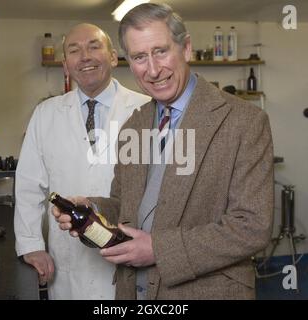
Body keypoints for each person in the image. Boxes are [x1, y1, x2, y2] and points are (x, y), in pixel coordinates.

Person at [53, 3, 274, 300]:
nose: (153, 70)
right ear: (129, 62)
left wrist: (158, 249)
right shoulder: (136, 123)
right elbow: (126, 206)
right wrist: (94, 209)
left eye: (161, 51)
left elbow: (252, 227)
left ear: (186, 49)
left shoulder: (243, 121)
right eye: (140, 57)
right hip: (135, 291)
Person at [14, 23, 150, 300]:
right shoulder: (46, 114)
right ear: (66, 65)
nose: (84, 56)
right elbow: (29, 186)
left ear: (113, 57)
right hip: (67, 262)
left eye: (94, 46)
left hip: (131, 254)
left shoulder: (147, 109)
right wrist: (31, 245)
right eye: (74, 51)